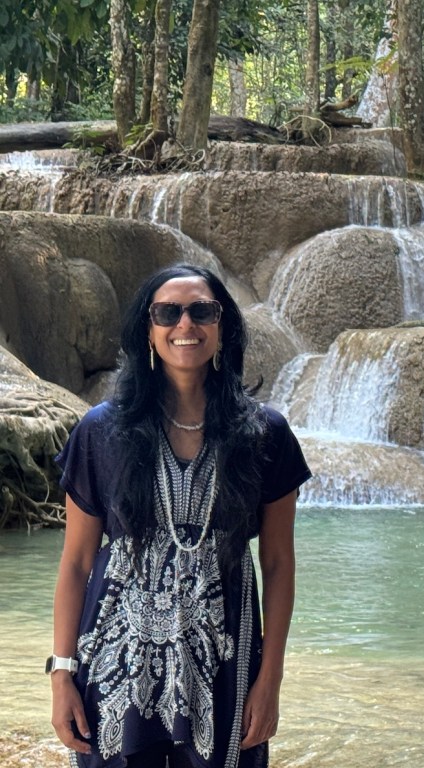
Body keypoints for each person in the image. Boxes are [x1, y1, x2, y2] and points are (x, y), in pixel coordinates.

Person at [49, 264, 311, 768]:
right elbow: (77, 562)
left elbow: (278, 563)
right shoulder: (101, 431)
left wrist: (271, 678)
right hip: (115, 659)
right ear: (148, 330)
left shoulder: (265, 434)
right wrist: (62, 674)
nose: (185, 324)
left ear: (222, 326)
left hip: (225, 660)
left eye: (202, 311)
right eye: (168, 313)